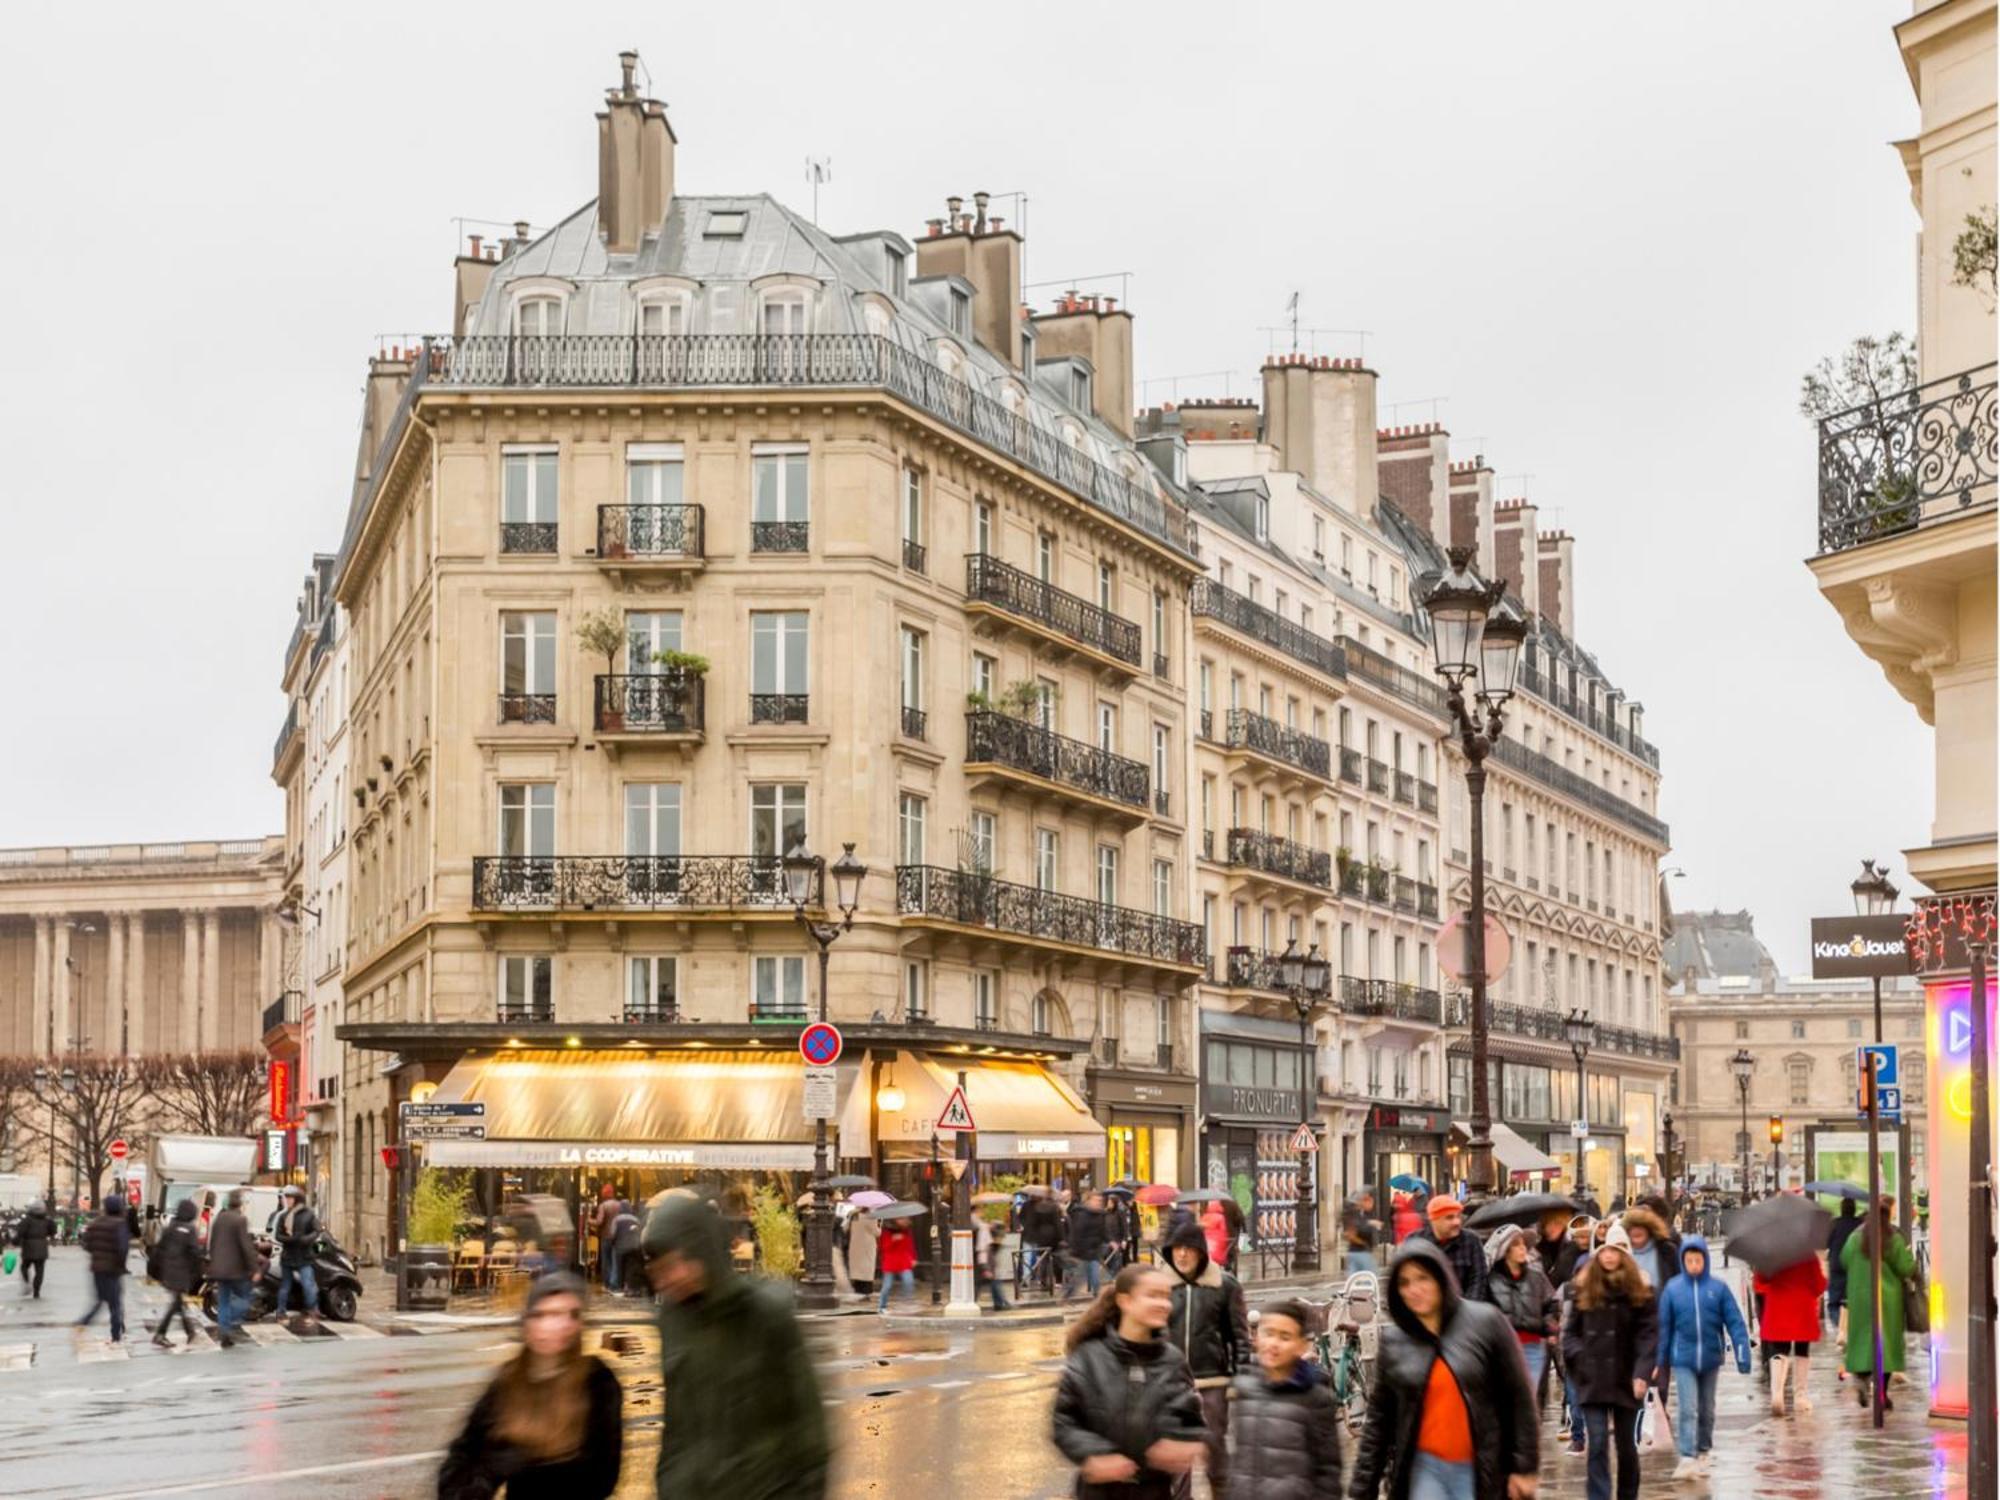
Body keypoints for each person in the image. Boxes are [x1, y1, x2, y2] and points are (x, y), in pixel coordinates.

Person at [642, 1193, 828, 1499]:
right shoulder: (673, 1320)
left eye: (672, 1266)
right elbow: (674, 1428)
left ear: (699, 1253)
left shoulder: (766, 1314)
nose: (665, 1280)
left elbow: (809, 1432)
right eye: (658, 1271)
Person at [1347, 1239, 1539, 1500]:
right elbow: (1379, 1422)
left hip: (1479, 1466)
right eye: (1404, 1283)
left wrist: (1524, 1466)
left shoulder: (1486, 1322)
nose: (1414, 1289)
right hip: (1426, 1468)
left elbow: (1520, 1399)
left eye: (1422, 1278)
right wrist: (1361, 1489)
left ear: (1440, 1278)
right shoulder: (1395, 1342)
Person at [439, 1272, 623, 1499]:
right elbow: (465, 1457)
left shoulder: (597, 1381)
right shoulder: (509, 1381)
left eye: (571, 1315)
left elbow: (603, 1477)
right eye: (544, 1314)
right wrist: (481, 1479)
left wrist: (531, 1457)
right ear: (527, 1323)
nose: (559, 1325)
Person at [1052, 1263, 1207, 1498]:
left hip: (1154, 1492)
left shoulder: (1172, 1360)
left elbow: (1190, 1418)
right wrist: (1095, 1454)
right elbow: (1064, 1421)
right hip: (1098, 1494)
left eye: (1166, 1296)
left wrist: (1181, 1441)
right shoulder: (1089, 1357)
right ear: (1125, 1301)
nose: (1163, 1304)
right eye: (1152, 1296)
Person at [1561, 1222, 1657, 1500]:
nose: (1610, 1256)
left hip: (1626, 1378)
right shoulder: (1584, 1287)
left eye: (1615, 1250)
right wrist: (1580, 1358)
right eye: (1605, 1251)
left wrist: (1642, 1372)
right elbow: (1570, 1334)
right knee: (1599, 1441)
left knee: (1627, 1446)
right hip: (1592, 1378)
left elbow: (1648, 1334)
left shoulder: (1640, 1290)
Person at [1164, 1219, 1250, 1498]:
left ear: (1201, 1251)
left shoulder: (1224, 1285)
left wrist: (1241, 1379)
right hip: (1172, 1386)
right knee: (1178, 1463)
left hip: (1212, 1382)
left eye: (1188, 1248)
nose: (1182, 1255)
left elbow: (1239, 1337)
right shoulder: (1162, 1287)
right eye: (1176, 1248)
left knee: (1214, 1454)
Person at [1652, 1235, 1749, 1481]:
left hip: (1710, 1358)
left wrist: (1742, 1353)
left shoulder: (1718, 1289)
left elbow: (1735, 1322)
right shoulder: (1673, 1289)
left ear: (1705, 1260)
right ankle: (1687, 1455)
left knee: (1707, 1409)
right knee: (1688, 1407)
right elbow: (1664, 1328)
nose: (1694, 1265)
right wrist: (1659, 1362)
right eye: (1689, 1260)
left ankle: (1703, 1448)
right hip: (1683, 1358)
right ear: (1683, 1261)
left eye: (1698, 1260)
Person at [1230, 1297, 1344, 1499]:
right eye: (1268, 1333)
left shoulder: (1316, 1398)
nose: (1273, 1343)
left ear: (1301, 1346)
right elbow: (1237, 1462)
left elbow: (1328, 1471)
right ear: (1256, 1338)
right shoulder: (1244, 1388)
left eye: (1285, 1337)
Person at [1840, 1196, 1919, 1413]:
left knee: (1862, 1342)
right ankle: (1882, 1394)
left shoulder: (1855, 1238)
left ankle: (1862, 1378)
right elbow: (1905, 1267)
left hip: (1860, 1298)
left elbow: (1844, 1259)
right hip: (1887, 1300)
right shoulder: (1891, 1238)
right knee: (1886, 1345)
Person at [1752, 1247, 1826, 1417]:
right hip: (1802, 1305)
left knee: (1779, 1349)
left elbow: (1760, 1281)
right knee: (1802, 1350)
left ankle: (1777, 1394)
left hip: (1779, 1304)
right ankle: (1800, 1397)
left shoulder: (1770, 1254)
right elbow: (1819, 1285)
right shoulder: (1807, 1255)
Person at [1485, 1225, 1559, 1392]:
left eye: (1524, 1244)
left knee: (1528, 1400)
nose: (1523, 1248)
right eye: (1517, 1244)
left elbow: (1551, 1304)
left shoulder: (1536, 1277)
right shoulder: (1491, 1280)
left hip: (1533, 1347)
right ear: (1506, 1250)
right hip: (1504, 1349)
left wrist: (1550, 1329)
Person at [74, 1195, 131, 1344]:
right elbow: (122, 1248)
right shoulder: (120, 1224)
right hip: (113, 1269)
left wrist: (97, 1255)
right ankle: (116, 1335)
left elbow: (86, 1243)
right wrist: (121, 1265)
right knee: (115, 1304)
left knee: (99, 1300)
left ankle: (83, 1323)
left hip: (97, 1268)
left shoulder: (96, 1222)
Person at [205, 1188, 259, 1347]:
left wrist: (212, 1263)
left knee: (223, 1301)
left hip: (219, 1269)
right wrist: (254, 1268)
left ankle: (224, 1332)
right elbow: (246, 1246)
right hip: (235, 1270)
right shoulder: (240, 1220)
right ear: (240, 1204)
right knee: (245, 1298)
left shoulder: (219, 1219)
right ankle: (228, 1322)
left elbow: (212, 1243)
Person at [1413, 1197, 1490, 1304]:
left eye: (1458, 1216)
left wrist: (1467, 1310)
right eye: (1449, 1218)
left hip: (1464, 1309)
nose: (1457, 1222)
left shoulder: (1471, 1241)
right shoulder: (1415, 1242)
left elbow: (1478, 1279)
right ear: (1434, 1220)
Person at [149, 1198, 203, 1347]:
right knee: (176, 1304)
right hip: (181, 1272)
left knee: (178, 1303)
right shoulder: (190, 1229)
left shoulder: (170, 1227)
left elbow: (159, 1248)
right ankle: (161, 1334)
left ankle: (190, 1332)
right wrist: (197, 1272)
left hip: (168, 1271)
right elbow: (194, 1253)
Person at [272, 1185, 321, 1326]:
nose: (287, 1201)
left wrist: (306, 1239)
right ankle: (280, 1312)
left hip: (304, 1256)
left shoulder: (309, 1214)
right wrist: (292, 1239)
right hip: (288, 1256)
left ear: (297, 1199)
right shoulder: (283, 1215)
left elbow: (317, 1230)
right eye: (286, 1198)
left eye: (289, 1198)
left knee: (308, 1285)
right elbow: (278, 1235)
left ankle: (313, 1311)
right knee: (285, 1286)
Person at [1825, 1199, 1862, 1353]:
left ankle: (1840, 1328)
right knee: (1852, 1299)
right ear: (1854, 1209)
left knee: (1834, 1301)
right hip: (1854, 1267)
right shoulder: (1860, 1224)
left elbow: (1826, 1243)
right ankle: (1849, 1328)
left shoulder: (1834, 1224)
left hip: (1836, 1265)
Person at [1066, 1190, 1109, 1300]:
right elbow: (1077, 1233)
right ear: (1089, 1201)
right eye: (1096, 1200)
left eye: (1100, 1201)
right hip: (1083, 1251)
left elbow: (1103, 1232)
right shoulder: (1082, 1214)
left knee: (1094, 1276)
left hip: (1094, 1250)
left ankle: (1097, 1297)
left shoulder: (1100, 1215)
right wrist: (1074, 1250)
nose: (1098, 1203)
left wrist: (1110, 1241)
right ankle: (1067, 1296)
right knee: (1080, 1277)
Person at [876, 1216, 917, 1312]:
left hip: (904, 1261)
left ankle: (907, 1303)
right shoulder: (887, 1232)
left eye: (905, 1219)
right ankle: (882, 1306)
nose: (904, 1221)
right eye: (901, 1219)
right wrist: (893, 1240)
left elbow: (911, 1246)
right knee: (887, 1286)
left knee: (909, 1282)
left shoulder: (907, 1231)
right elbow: (883, 1248)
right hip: (890, 1262)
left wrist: (913, 1258)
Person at [1532, 1211, 1581, 1290]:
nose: (1549, 1228)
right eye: (1546, 1224)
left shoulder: (1573, 1247)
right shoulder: (1541, 1249)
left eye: (1556, 1223)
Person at [1342, 1189, 1383, 1275]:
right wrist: (1370, 1224)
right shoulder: (1355, 1212)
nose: (1372, 1204)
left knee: (1355, 1280)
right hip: (1361, 1253)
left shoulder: (1362, 1213)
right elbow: (1354, 1232)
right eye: (1370, 1201)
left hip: (1356, 1252)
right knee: (1370, 1278)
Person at [16, 1200, 51, 1299]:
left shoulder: (27, 1220)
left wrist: (15, 1241)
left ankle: (27, 1283)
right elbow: (53, 1230)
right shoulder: (47, 1220)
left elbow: (20, 1232)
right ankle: (37, 1291)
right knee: (39, 1271)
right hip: (42, 1249)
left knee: (24, 1267)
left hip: (28, 1248)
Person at [846, 1206, 879, 1298]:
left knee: (857, 1269)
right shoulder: (871, 1217)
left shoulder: (853, 1215)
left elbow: (845, 1228)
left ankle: (857, 1290)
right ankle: (866, 1292)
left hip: (855, 1244)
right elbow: (877, 1232)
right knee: (867, 1269)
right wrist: (880, 1222)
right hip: (867, 1245)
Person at [1202, 1198, 1234, 1271]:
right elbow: (1224, 1229)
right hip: (1218, 1243)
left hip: (1207, 1243)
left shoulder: (1204, 1216)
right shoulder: (1221, 1217)